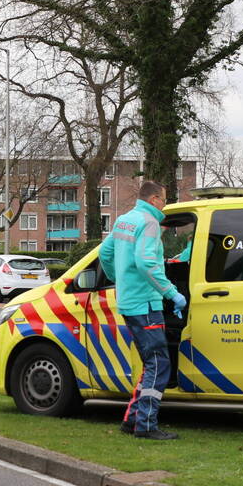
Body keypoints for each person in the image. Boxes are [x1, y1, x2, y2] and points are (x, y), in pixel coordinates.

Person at [99, 180, 185, 440]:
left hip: (129, 301)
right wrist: (172, 293)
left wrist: (120, 280)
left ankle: (132, 420)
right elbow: (147, 263)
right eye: (164, 199)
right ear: (154, 199)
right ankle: (146, 425)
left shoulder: (125, 219)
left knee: (151, 363)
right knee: (159, 364)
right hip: (146, 303)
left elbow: (105, 253)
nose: (165, 204)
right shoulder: (149, 223)